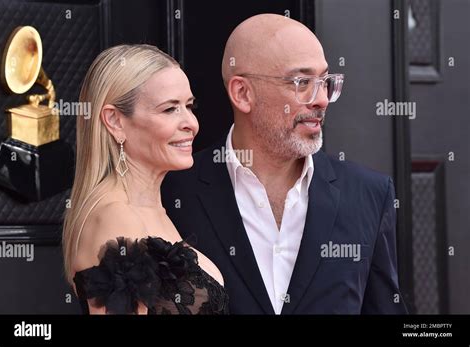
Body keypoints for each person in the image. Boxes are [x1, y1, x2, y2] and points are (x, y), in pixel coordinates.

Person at [162, 14, 408, 314]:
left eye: (325, 81)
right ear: (243, 93)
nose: (322, 100)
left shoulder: (368, 194)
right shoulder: (173, 190)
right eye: (302, 82)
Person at [62, 44, 228, 314]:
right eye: (169, 109)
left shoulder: (153, 211)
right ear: (115, 121)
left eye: (189, 106)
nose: (191, 123)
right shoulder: (115, 216)